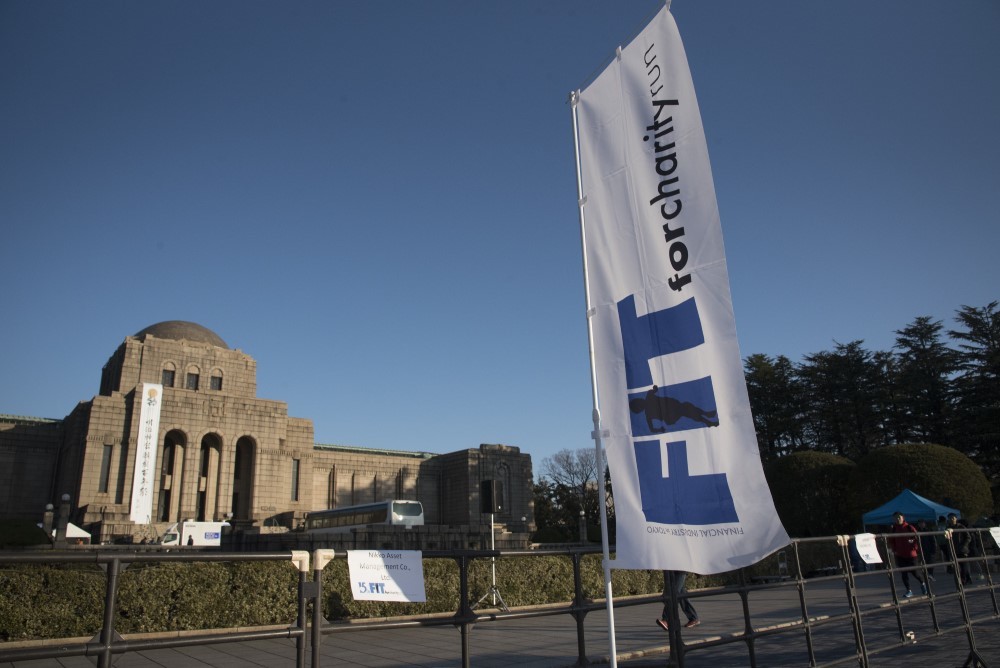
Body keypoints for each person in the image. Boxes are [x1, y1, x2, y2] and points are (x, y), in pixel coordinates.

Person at [889, 511, 926, 598]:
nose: (897, 519)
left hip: (911, 555)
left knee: (915, 573)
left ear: (903, 518)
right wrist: (894, 550)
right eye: (895, 518)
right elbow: (892, 541)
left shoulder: (909, 527)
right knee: (904, 574)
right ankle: (909, 590)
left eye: (899, 517)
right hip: (900, 555)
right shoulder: (894, 529)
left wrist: (914, 547)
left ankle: (923, 584)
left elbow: (917, 538)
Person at [947, 513, 972, 585]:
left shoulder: (961, 527)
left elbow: (968, 537)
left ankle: (965, 580)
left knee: (964, 567)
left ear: (956, 518)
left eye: (953, 518)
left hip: (962, 550)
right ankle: (964, 580)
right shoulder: (947, 528)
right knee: (957, 567)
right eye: (950, 518)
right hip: (953, 550)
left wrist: (964, 546)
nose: (952, 519)